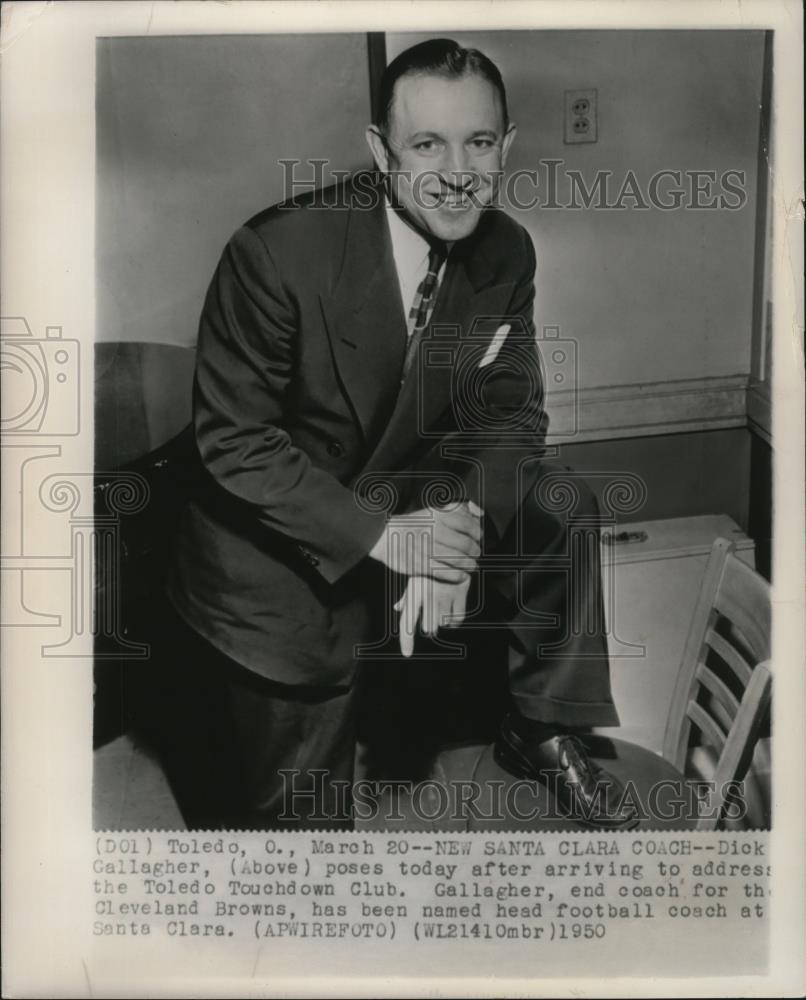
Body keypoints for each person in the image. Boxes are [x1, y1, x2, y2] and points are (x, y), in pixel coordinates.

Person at [161, 38, 637, 831]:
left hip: (404, 485)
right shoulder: (276, 253)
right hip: (269, 543)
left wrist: (458, 534)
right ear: (381, 150)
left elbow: (512, 415)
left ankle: (537, 725)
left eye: (478, 143)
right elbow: (234, 444)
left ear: (506, 146)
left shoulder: (507, 250)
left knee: (558, 497)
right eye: (426, 144)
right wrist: (390, 539)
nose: (457, 171)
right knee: (304, 845)